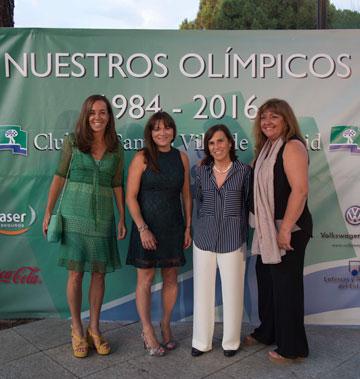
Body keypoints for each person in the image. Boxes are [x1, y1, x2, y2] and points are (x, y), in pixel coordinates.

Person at [43, 94, 126, 358]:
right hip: (73, 216)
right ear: (85, 115)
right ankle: (77, 328)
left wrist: (123, 217)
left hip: (103, 219)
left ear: (109, 116)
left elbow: (117, 183)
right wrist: (48, 211)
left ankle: (94, 328)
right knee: (76, 274)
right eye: (92, 112)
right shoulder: (72, 142)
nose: (97, 117)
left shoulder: (116, 146)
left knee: (99, 274)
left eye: (103, 112)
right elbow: (59, 176)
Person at [245, 98, 313, 363]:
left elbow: (300, 190)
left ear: (286, 120)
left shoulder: (292, 146)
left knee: (286, 288)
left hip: (289, 229)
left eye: (274, 117)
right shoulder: (266, 149)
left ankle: (293, 348)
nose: (267, 122)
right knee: (267, 283)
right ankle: (267, 332)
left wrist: (284, 230)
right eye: (263, 118)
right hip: (266, 230)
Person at [126, 111, 192, 356]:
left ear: (173, 131)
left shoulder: (182, 158)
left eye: (167, 127)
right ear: (150, 133)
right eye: (156, 128)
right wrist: (143, 228)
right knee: (144, 280)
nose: (162, 132)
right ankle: (147, 330)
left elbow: (186, 195)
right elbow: (130, 197)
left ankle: (165, 324)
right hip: (147, 228)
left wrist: (187, 227)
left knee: (171, 279)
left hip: (173, 226)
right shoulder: (142, 157)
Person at [191, 124, 251, 358]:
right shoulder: (201, 172)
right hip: (204, 238)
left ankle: (231, 342)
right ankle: (201, 341)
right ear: (208, 147)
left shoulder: (244, 172)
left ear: (230, 143)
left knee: (233, 292)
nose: (216, 146)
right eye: (211, 143)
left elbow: (248, 204)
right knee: (202, 292)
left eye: (220, 141)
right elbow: (198, 201)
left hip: (233, 239)